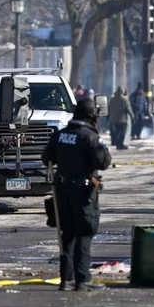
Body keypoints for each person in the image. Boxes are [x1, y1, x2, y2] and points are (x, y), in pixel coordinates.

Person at [42, 98, 111, 292]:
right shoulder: (90, 136)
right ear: (91, 115)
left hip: (63, 191)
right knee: (85, 232)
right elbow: (103, 162)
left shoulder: (61, 135)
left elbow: (46, 157)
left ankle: (66, 279)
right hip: (84, 192)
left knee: (68, 234)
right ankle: (82, 279)